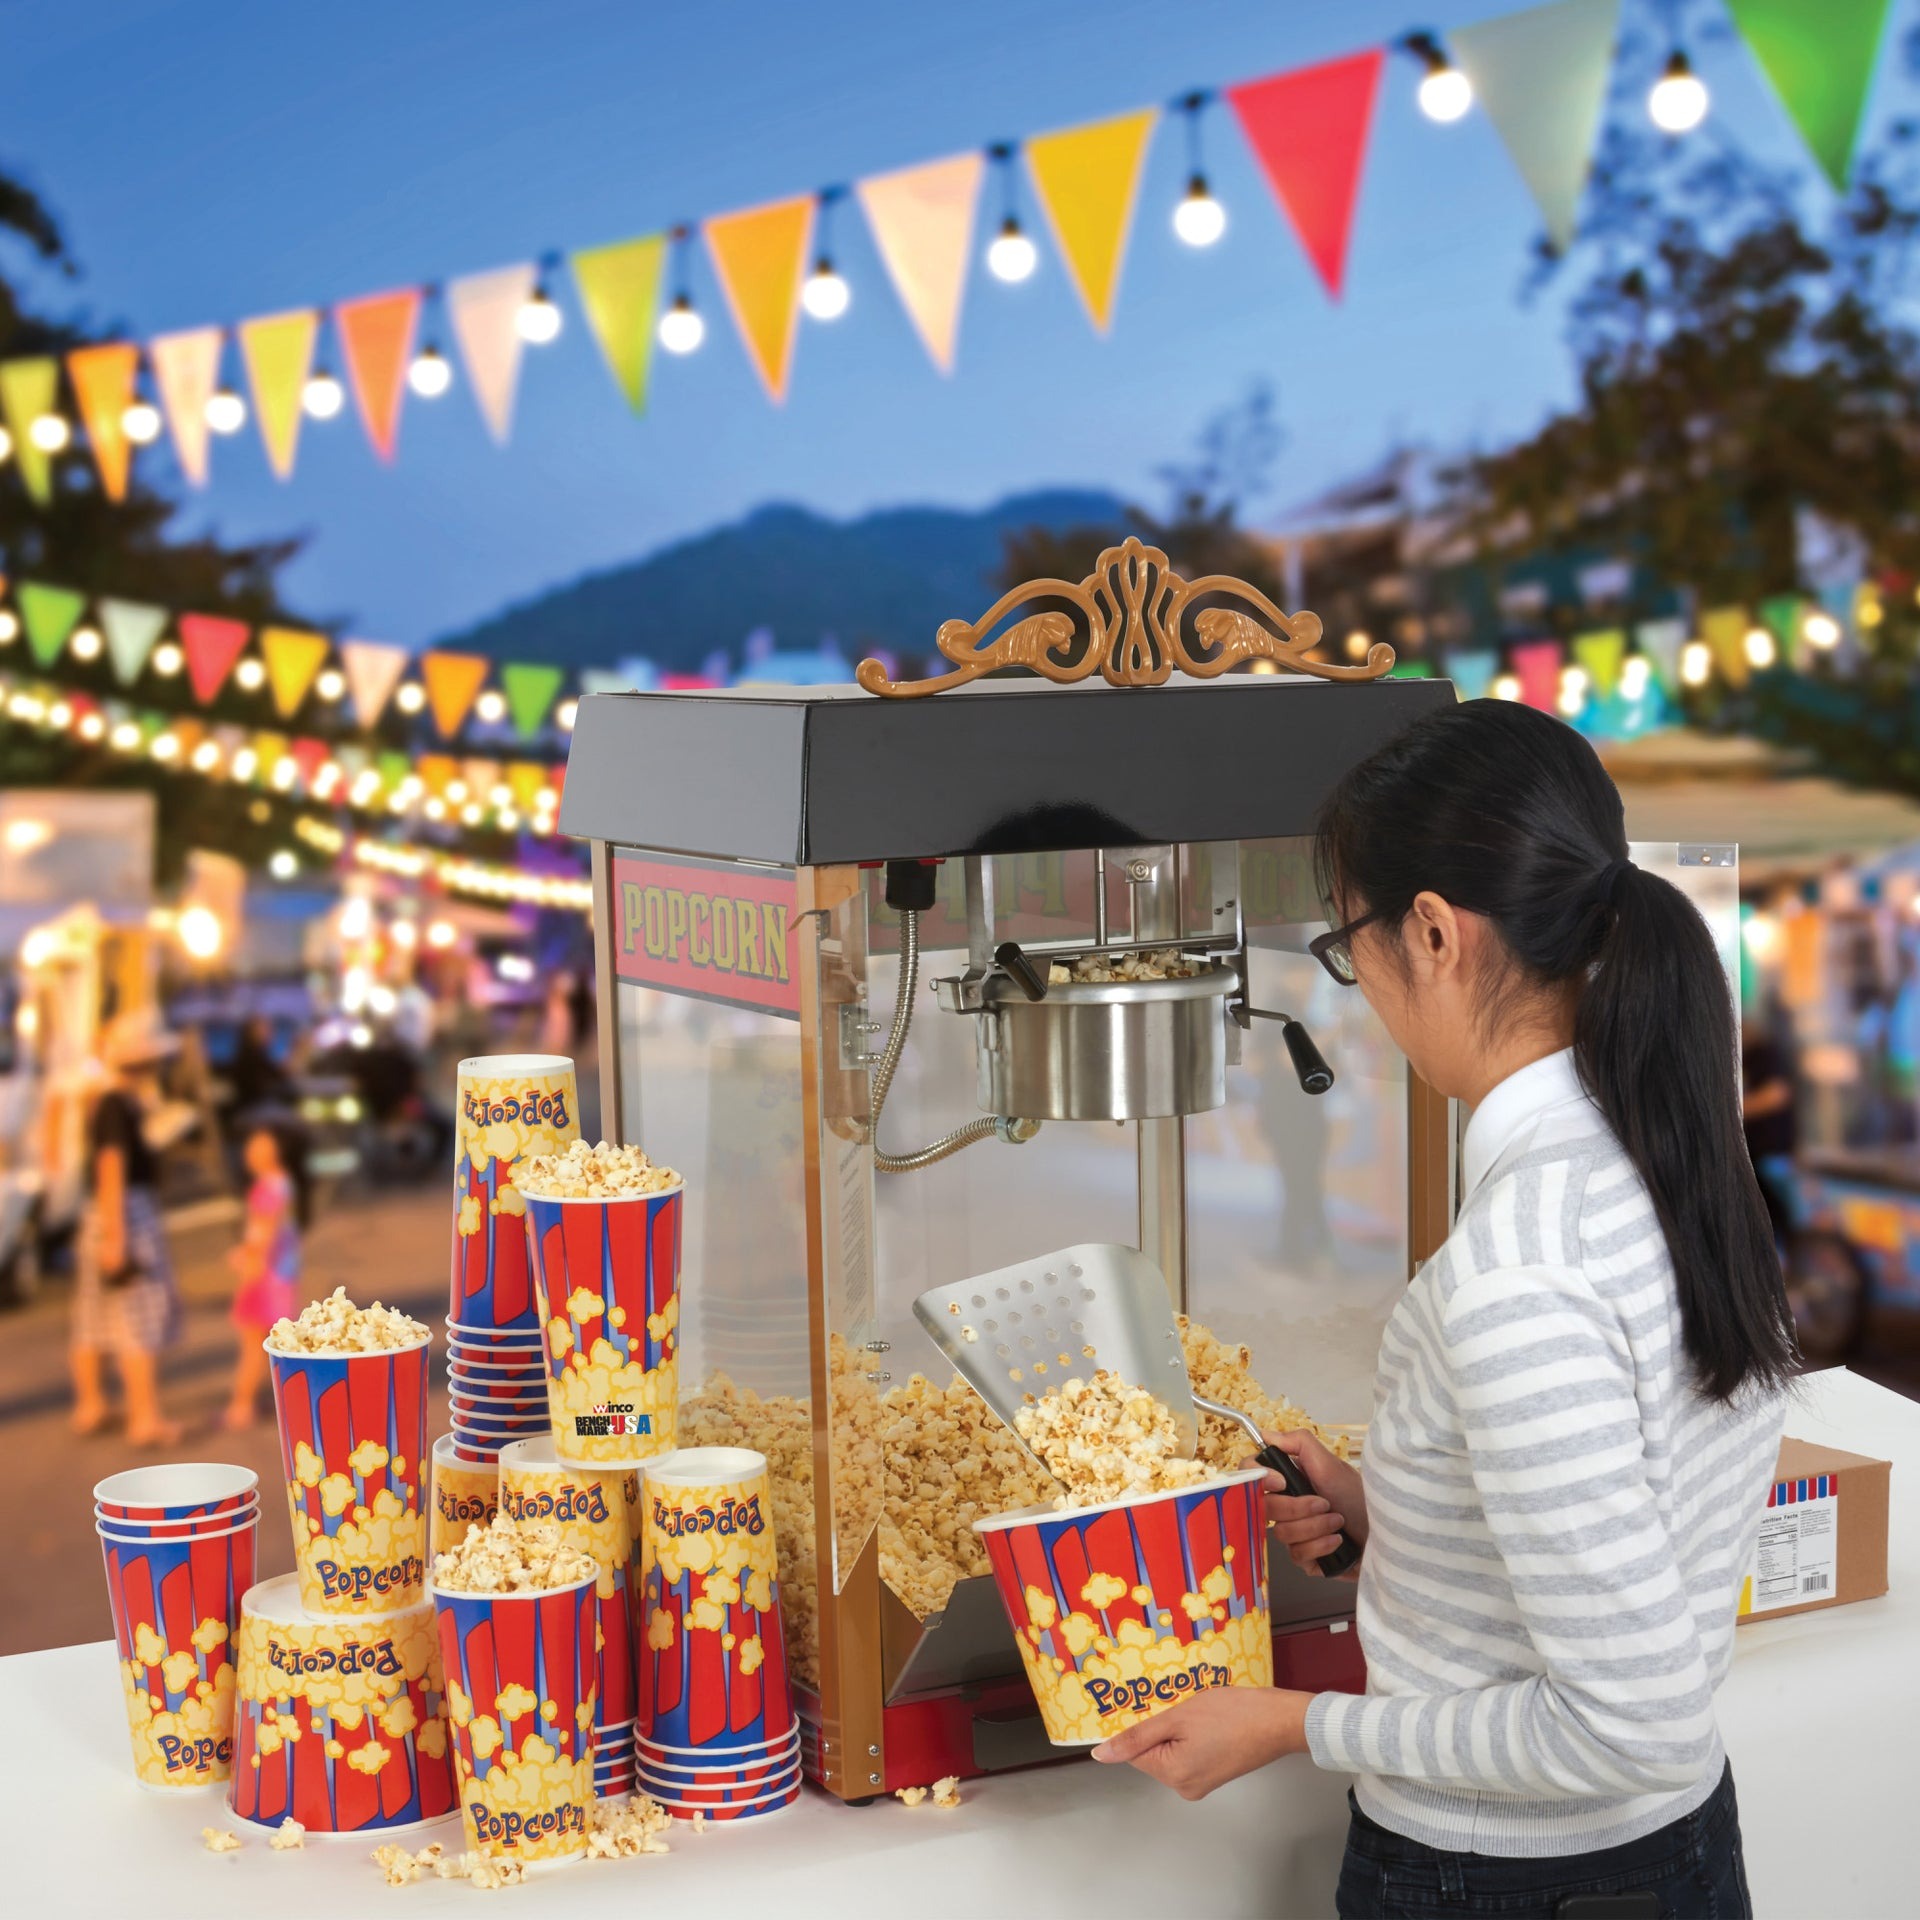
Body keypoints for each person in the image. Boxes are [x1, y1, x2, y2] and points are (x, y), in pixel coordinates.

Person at [1093, 701, 1795, 1920]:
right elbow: (1640, 1504)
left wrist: (1293, 1723)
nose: (1358, 985)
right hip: (1674, 1856)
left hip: (1509, 1880)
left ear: (1431, 932)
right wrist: (1401, 1514)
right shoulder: (1669, 1159)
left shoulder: (1517, 1273)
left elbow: (1634, 1727)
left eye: (1346, 943)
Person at [69, 1011, 184, 1447]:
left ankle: (91, 1405)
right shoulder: (118, 1104)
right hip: (124, 1215)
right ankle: (144, 1417)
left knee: (94, 1315)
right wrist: (116, 1239)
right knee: (140, 1316)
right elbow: (111, 1167)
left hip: (102, 1216)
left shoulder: (109, 1101)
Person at [223, 1121, 307, 1430]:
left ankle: (242, 1404)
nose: (251, 1153)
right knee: (269, 1341)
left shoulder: (270, 1186)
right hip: (279, 1275)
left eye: (260, 1147)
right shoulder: (281, 1183)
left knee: (254, 1341)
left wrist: (247, 1256)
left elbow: (265, 1230)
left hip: (264, 1276)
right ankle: (277, 1399)